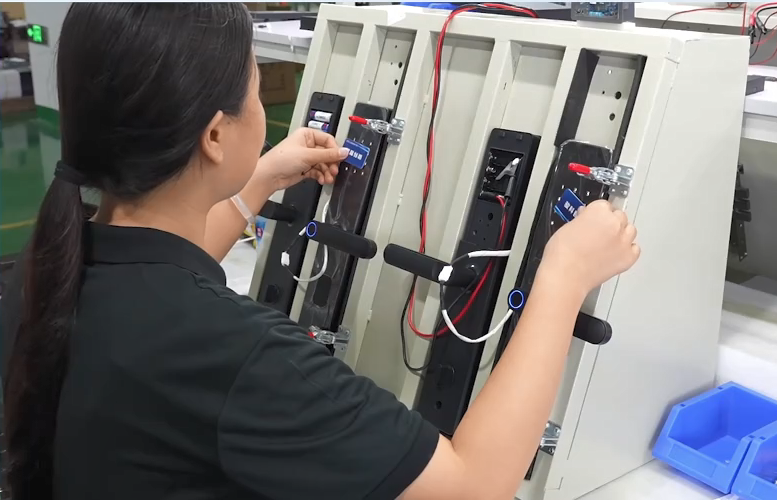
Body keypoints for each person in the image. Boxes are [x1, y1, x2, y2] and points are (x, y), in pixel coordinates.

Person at [0, 4, 640, 500]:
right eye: (255, 91)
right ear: (215, 135)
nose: (262, 108)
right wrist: (563, 276)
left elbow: (159, 269)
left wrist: (256, 179)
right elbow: (472, 487)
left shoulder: (42, 274)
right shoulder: (239, 357)